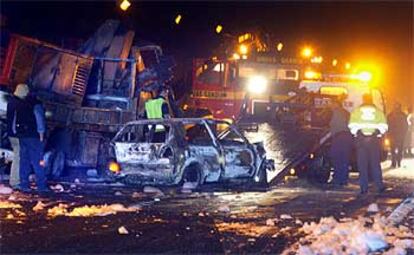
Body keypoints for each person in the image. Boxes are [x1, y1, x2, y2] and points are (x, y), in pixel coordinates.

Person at [348, 93, 388, 194]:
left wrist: (358, 131)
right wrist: (377, 132)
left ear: (363, 100)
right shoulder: (378, 112)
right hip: (374, 140)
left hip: (361, 140)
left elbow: (351, 126)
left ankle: (363, 188)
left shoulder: (356, 112)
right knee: (375, 164)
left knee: (362, 165)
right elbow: (384, 126)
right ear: (371, 99)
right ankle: (379, 186)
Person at [12, 84, 49, 193]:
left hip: (22, 136)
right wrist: (41, 133)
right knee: (38, 161)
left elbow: (15, 120)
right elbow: (39, 119)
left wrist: (15, 132)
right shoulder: (36, 105)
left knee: (24, 160)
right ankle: (41, 186)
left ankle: (24, 184)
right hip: (33, 136)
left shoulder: (18, 105)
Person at [328, 98, 353, 187]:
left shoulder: (336, 112)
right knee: (344, 159)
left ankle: (338, 179)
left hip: (339, 137)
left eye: (331, 104)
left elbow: (333, 124)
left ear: (336, 104)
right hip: (348, 137)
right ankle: (343, 179)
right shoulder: (345, 112)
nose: (330, 106)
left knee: (337, 158)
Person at [6, 85, 24, 189]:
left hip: (11, 133)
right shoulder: (18, 104)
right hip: (15, 134)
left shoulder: (11, 101)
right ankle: (15, 181)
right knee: (18, 156)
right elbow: (16, 120)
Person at [387, 103, 408, 168]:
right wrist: (404, 133)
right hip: (400, 135)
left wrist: (388, 133)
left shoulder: (390, 115)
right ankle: (398, 161)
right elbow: (406, 125)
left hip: (392, 135)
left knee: (393, 149)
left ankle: (394, 162)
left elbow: (387, 125)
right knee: (400, 149)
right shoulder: (403, 115)